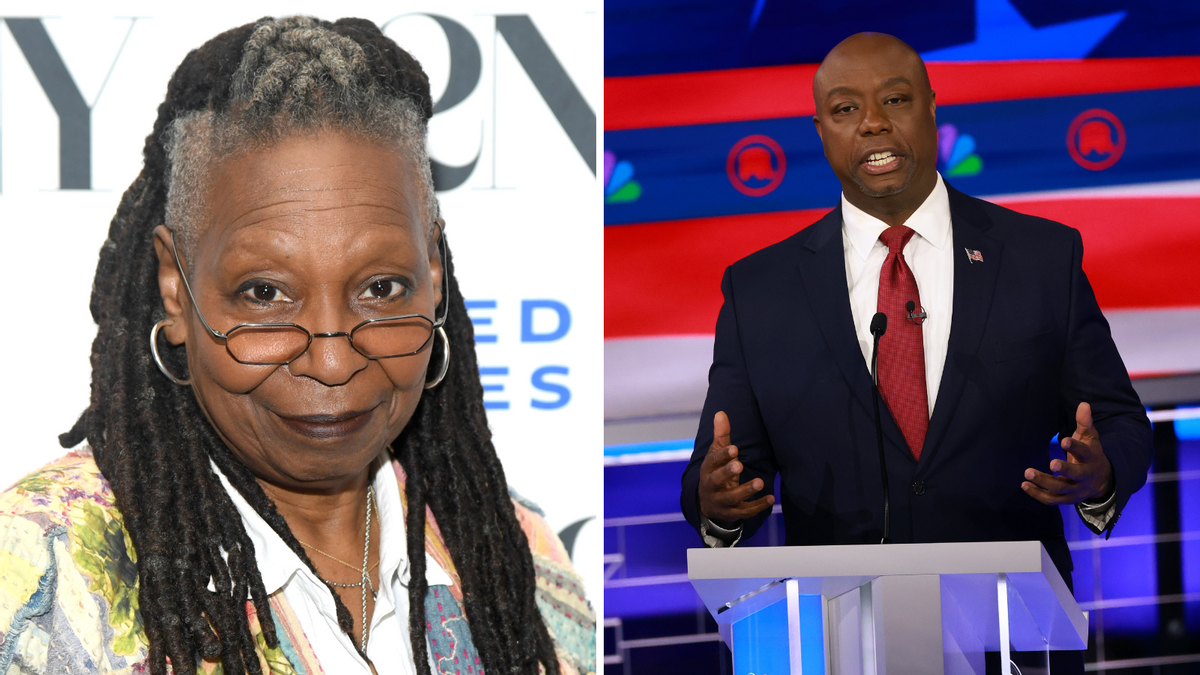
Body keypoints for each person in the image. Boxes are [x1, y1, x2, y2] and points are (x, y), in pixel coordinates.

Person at [0, 16, 594, 675]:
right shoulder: (44, 577)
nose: (333, 361)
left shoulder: (523, 559)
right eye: (264, 293)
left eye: (382, 286)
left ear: (433, 273)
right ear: (176, 288)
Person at [680, 32, 1152, 671]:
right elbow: (723, 468)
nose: (872, 122)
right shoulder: (759, 290)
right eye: (846, 109)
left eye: (894, 100)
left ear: (932, 108)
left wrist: (1099, 475)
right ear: (819, 130)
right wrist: (717, 502)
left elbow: (1120, 424)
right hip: (835, 640)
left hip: (1009, 639)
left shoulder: (1041, 258)